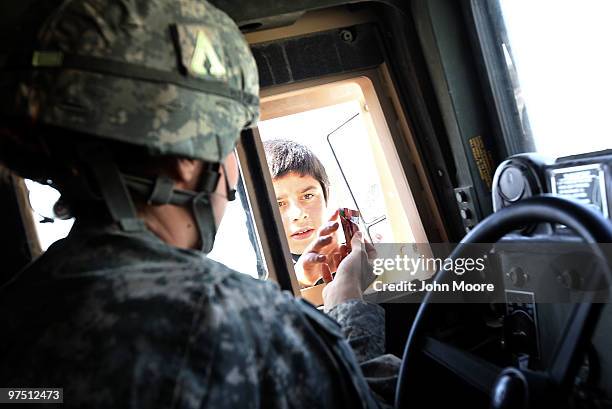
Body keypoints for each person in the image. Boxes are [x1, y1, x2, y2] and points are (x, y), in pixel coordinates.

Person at [0, 0, 400, 408]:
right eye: (228, 144)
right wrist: (350, 300)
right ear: (190, 159)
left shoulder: (14, 311)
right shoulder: (246, 322)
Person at [263, 139, 346, 286]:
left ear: (326, 194)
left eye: (308, 196)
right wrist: (300, 281)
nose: (298, 214)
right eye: (279, 204)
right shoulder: (262, 278)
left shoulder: (353, 255)